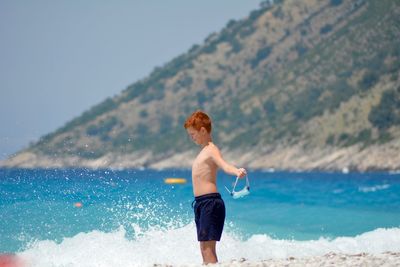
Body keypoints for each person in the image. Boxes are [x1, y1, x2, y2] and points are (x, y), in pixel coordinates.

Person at [184, 110, 247, 264]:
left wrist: (236, 171)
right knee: (203, 246)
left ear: (203, 130)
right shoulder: (204, 151)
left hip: (210, 203)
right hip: (201, 203)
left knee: (208, 248)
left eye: (193, 134)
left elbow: (224, 165)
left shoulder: (212, 150)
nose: (191, 138)